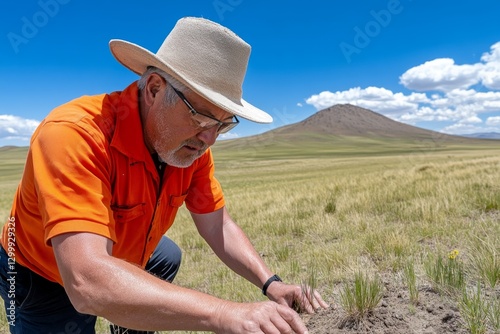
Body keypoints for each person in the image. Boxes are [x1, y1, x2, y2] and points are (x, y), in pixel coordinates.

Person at [0, 17, 328, 333]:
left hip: (118, 252)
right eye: (201, 116)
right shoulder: (74, 134)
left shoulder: (191, 148)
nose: (209, 138)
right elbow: (86, 280)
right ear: (155, 89)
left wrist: (271, 284)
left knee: (165, 257)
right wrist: (223, 313)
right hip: (39, 271)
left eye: (223, 124)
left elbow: (218, 224)